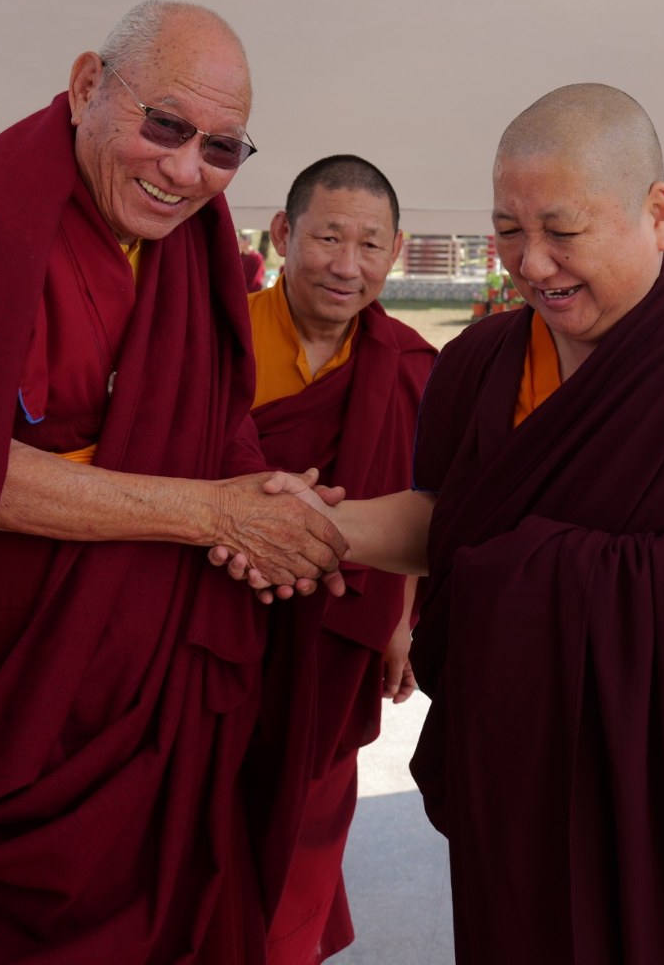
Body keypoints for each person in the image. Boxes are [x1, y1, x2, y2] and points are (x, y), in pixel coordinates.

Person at [220, 83, 664, 963]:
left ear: (659, 216)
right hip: (533, 769)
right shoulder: (483, 362)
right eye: (508, 231)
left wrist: (535, 579)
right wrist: (316, 525)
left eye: (563, 231)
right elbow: (454, 522)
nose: (532, 263)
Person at [0, 0, 351, 961]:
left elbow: (213, 418)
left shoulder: (193, 240)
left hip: (127, 686)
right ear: (89, 85)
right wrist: (210, 514)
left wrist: (268, 506)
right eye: (165, 126)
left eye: (221, 149)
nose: (185, 172)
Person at [247, 155, 434, 964]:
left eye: (369, 244)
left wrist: (400, 622)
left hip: (335, 638)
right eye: (327, 238)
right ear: (283, 234)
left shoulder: (411, 366)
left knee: (308, 822)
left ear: (396, 251)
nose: (346, 266)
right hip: (210, 625)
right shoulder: (218, 338)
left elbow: (422, 503)